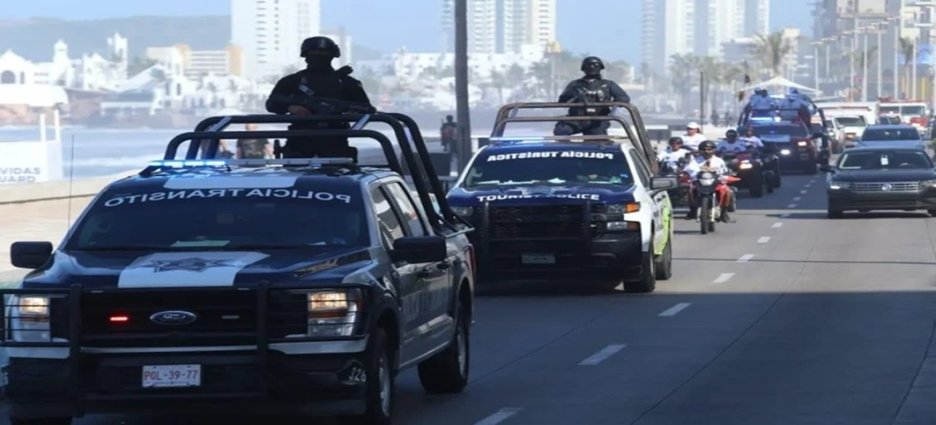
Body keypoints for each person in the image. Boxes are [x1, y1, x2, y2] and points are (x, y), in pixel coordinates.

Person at [265, 36, 374, 161]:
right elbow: (271, 104)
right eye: (314, 53)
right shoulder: (292, 81)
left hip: (335, 137)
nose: (319, 56)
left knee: (337, 174)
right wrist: (291, 107)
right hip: (300, 137)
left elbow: (366, 109)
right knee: (295, 174)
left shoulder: (347, 83)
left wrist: (351, 113)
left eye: (324, 53)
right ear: (306, 56)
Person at [553, 56, 631, 136]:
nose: (592, 67)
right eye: (589, 65)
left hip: (598, 120)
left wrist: (613, 103)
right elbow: (562, 100)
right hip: (576, 119)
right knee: (562, 130)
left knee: (598, 139)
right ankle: (568, 148)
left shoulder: (608, 84)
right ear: (584, 68)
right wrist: (576, 96)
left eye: (595, 65)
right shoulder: (575, 85)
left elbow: (624, 98)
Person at [685, 140, 734, 222]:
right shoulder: (695, 161)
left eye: (709, 149)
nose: (706, 151)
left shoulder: (719, 160)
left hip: (715, 182)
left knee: (728, 191)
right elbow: (689, 169)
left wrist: (726, 173)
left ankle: (724, 212)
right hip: (700, 182)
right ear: (700, 150)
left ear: (713, 150)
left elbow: (724, 170)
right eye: (704, 149)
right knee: (690, 190)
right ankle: (692, 210)